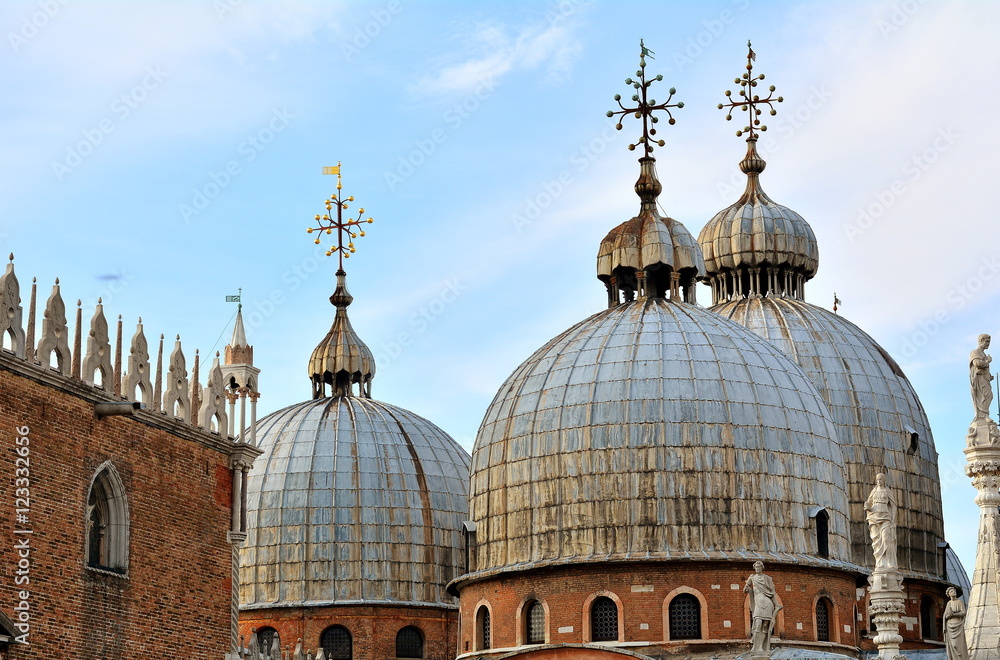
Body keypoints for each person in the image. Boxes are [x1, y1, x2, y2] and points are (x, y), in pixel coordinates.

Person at [745, 561, 781, 655]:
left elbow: (772, 593)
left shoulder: (767, 578)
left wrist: (777, 604)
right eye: (756, 567)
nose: (757, 569)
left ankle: (762, 647)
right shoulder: (752, 578)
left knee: (765, 627)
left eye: (759, 567)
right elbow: (745, 589)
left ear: (762, 568)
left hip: (768, 603)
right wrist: (747, 588)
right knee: (758, 625)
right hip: (758, 604)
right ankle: (755, 647)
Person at [864, 473, 897, 571]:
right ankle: (880, 563)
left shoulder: (887, 491)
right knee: (876, 540)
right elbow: (869, 503)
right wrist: (867, 507)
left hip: (885, 517)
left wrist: (892, 519)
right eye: (877, 479)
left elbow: (893, 506)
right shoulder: (873, 491)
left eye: (881, 479)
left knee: (886, 539)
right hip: (873, 517)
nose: (879, 481)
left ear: (884, 480)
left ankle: (889, 562)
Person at [970, 333, 993, 420]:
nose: (988, 344)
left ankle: (984, 415)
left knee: (989, 396)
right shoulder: (975, 352)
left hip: (984, 379)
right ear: (981, 341)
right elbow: (977, 363)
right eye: (986, 341)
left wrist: (990, 376)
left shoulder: (983, 354)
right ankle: (983, 416)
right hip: (979, 380)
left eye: (989, 342)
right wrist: (987, 361)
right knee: (984, 396)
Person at [943, 587, 969, 660]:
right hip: (950, 626)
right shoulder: (949, 603)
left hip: (958, 625)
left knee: (959, 646)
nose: (953, 592)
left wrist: (953, 614)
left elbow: (963, 612)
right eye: (951, 591)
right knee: (953, 645)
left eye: (954, 591)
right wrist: (949, 615)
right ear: (949, 594)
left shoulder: (960, 602)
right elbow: (946, 616)